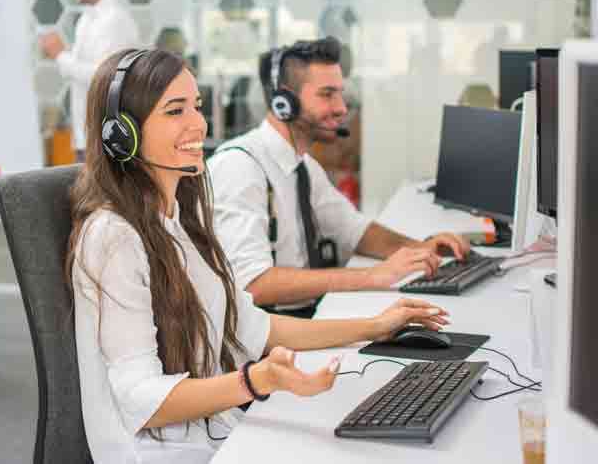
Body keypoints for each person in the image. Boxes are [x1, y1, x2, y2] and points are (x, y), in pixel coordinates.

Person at [66, 47, 450, 463]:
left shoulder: (178, 218)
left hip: (212, 432)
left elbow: (255, 327)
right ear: (121, 134)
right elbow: (141, 397)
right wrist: (254, 381)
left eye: (197, 106)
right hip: (163, 453)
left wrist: (376, 327)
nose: (198, 122)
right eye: (175, 111)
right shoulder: (113, 238)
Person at [208, 37, 469, 318]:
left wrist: (420, 249)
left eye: (340, 94)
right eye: (327, 94)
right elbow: (254, 284)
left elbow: (354, 230)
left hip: (301, 318)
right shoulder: (240, 168)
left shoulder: (302, 165)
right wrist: (373, 277)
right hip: (264, 339)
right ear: (284, 102)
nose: (342, 108)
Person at [39, 0, 139, 162]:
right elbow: (78, 72)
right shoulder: (87, 18)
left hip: (105, 140)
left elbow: (105, 76)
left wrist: (60, 56)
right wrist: (63, 57)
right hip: (85, 137)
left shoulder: (115, 20)